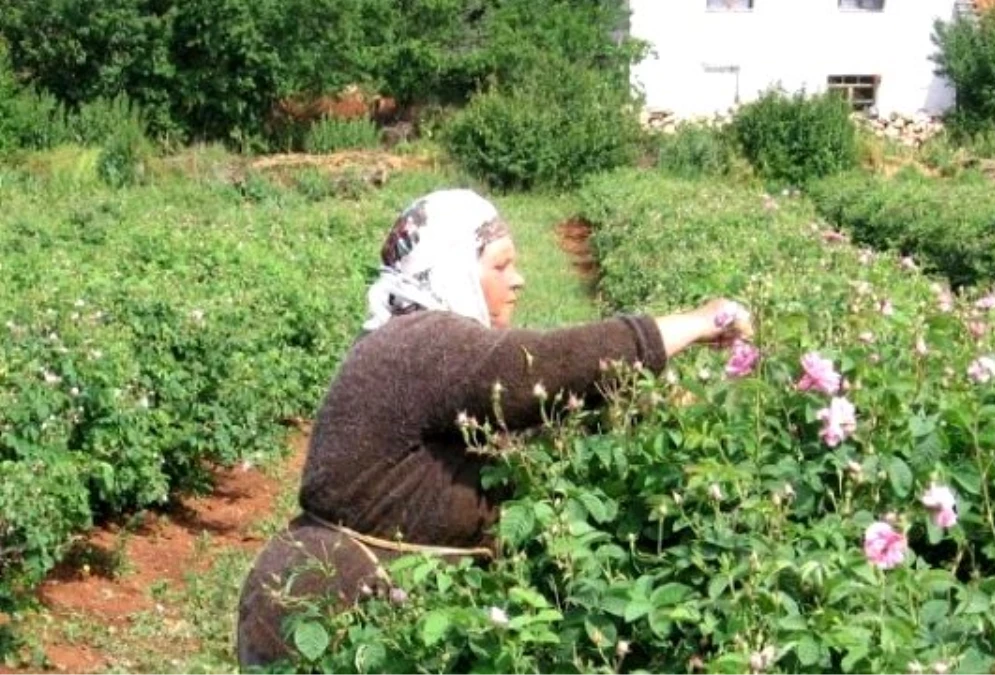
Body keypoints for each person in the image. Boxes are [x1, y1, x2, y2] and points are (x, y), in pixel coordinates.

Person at [235, 188, 752, 668]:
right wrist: (698, 322)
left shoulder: (406, 339)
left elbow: (528, 424)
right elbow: (539, 368)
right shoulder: (420, 344)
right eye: (501, 264)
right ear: (451, 270)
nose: (519, 279)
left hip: (349, 605)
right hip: (337, 619)